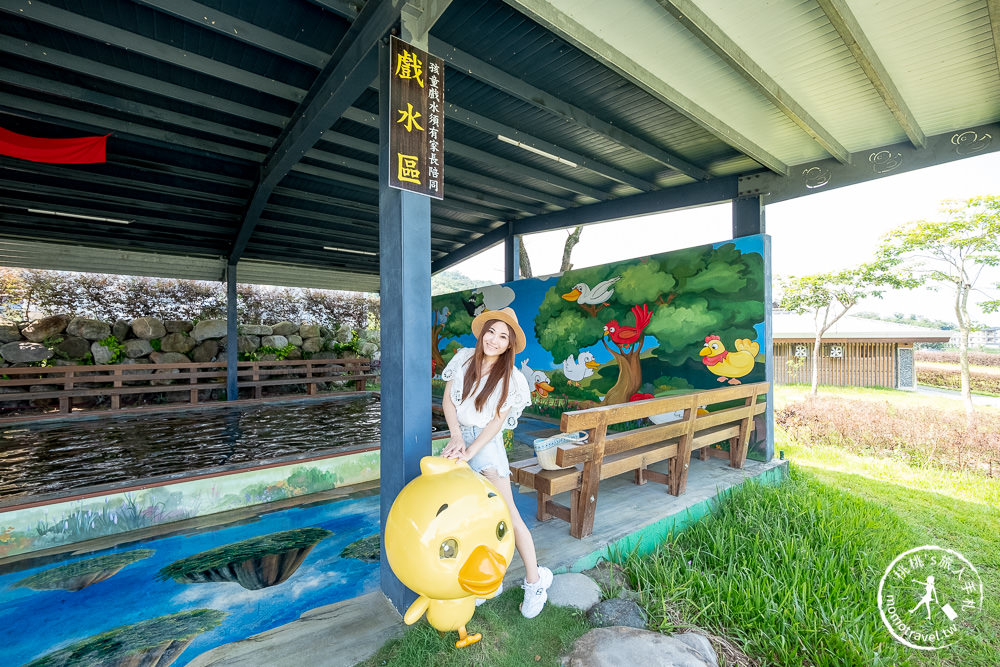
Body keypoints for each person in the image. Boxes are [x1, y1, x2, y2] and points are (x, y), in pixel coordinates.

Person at [440, 307, 553, 618]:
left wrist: (471, 450)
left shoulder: (513, 379)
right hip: (459, 439)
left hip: (484, 445)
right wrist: (456, 438)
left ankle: (535, 581)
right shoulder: (464, 357)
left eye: (503, 337)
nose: (494, 339)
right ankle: (491, 580)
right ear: (483, 332)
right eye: (491, 331)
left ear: (509, 346)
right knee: (472, 517)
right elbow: (449, 400)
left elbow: (496, 425)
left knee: (507, 513)